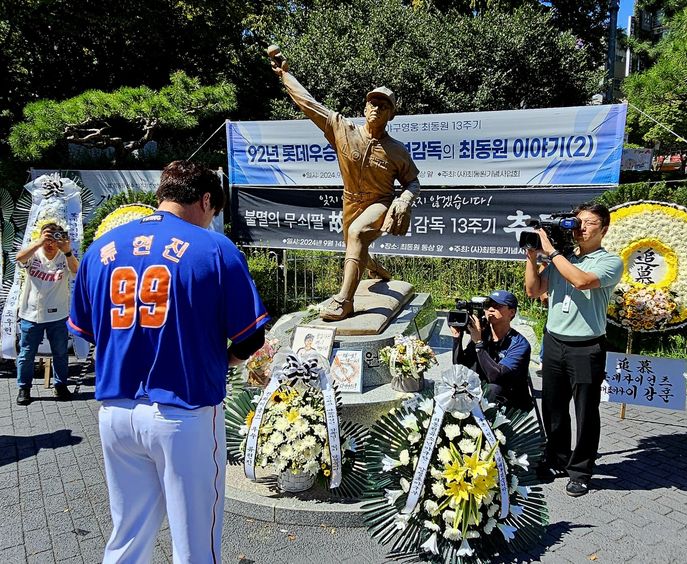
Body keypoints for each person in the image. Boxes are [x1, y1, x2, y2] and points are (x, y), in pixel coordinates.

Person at [68, 160, 269, 562]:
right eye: (213, 211)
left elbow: (84, 332)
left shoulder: (103, 249)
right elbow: (252, 337)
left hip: (115, 413)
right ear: (206, 200)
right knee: (195, 545)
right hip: (184, 415)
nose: (211, 219)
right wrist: (226, 358)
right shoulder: (213, 248)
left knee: (128, 537)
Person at [269, 47, 421, 321]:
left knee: (359, 234)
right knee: (354, 244)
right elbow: (308, 103)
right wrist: (285, 75)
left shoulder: (397, 150)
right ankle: (378, 270)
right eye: (373, 103)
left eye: (384, 105)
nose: (376, 108)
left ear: (391, 115)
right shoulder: (343, 129)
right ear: (364, 107)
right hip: (350, 200)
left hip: (380, 202)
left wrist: (404, 200)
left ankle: (344, 301)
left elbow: (413, 181)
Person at [524, 202, 623, 498]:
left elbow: (581, 281)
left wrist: (551, 252)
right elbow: (534, 290)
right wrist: (531, 256)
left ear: (603, 229)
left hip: (586, 347)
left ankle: (580, 470)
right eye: (578, 221)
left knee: (585, 411)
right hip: (554, 342)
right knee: (553, 407)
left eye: (589, 223)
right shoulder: (563, 257)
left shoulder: (610, 261)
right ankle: (557, 459)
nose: (581, 228)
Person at [15, 222, 79, 405]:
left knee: (60, 352)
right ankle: (24, 388)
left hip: (57, 315)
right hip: (31, 314)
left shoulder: (63, 257)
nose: (50, 242)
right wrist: (38, 242)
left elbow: (76, 270)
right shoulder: (33, 254)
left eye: (54, 237)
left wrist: (67, 250)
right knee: (26, 353)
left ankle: (60, 386)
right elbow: (19, 258)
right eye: (47, 237)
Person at [450, 289, 533, 412]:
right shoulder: (483, 334)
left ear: (512, 312)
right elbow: (461, 367)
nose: (491, 309)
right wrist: (457, 339)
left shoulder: (519, 344)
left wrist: (479, 344)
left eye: (497, 306)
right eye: (488, 305)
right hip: (481, 393)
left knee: (493, 388)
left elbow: (496, 377)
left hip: (510, 399)